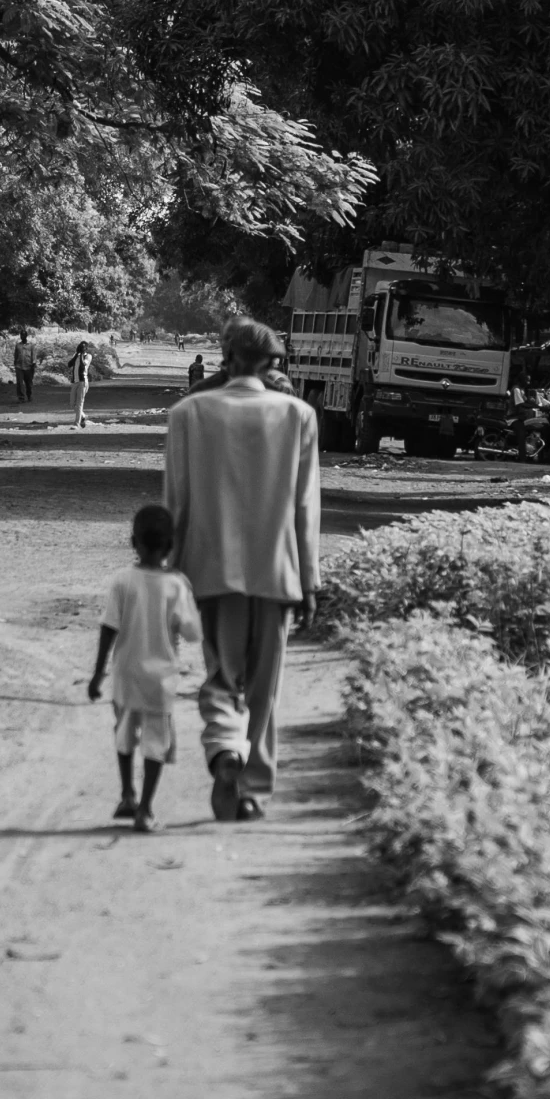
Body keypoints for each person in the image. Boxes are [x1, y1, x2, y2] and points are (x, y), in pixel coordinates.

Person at [164, 317, 320, 823]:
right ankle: (253, 789)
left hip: (208, 570)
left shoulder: (189, 413)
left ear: (226, 357)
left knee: (220, 676)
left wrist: (169, 571)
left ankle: (225, 750)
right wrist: (310, 579)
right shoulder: (299, 415)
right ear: (274, 363)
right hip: (277, 572)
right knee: (264, 689)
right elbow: (305, 508)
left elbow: (177, 504)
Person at [88, 502, 201, 832]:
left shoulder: (122, 581)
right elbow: (193, 633)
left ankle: (126, 794)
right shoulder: (177, 585)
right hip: (161, 679)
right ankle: (146, 810)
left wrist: (98, 673)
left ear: (132, 543)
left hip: (125, 674)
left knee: (124, 733)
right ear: (170, 546)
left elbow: (108, 626)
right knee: (156, 741)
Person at [68, 339, 94, 429]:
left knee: (79, 403)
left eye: (83, 347)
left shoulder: (88, 356)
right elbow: (69, 364)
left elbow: (83, 365)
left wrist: (82, 354)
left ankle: (76, 424)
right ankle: (83, 416)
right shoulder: (76, 355)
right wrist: (77, 355)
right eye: (81, 347)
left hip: (83, 381)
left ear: (86, 348)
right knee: (72, 404)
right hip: (75, 381)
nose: (82, 348)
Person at [13, 329, 36, 405]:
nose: (22, 336)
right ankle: (21, 398)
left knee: (28, 383)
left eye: (24, 335)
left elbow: (34, 355)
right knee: (19, 383)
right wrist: (15, 363)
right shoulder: (18, 345)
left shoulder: (31, 345)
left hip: (28, 366)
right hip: (19, 366)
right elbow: (16, 355)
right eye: (21, 335)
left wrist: (33, 363)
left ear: (26, 336)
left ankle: (29, 395)